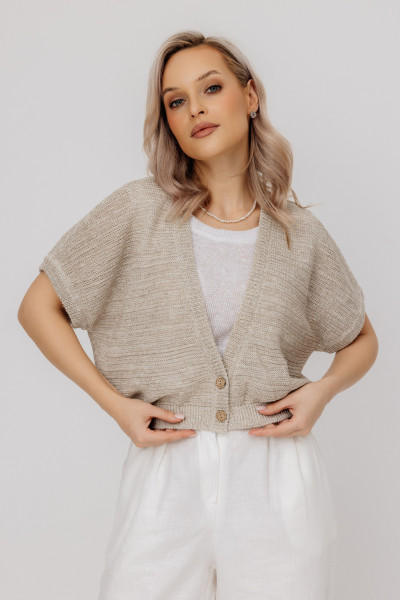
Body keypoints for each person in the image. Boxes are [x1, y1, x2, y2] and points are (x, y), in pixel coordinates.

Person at [18, 30, 378, 600]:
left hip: (275, 474)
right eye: (176, 100)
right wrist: (115, 406)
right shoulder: (139, 210)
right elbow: (39, 307)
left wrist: (322, 392)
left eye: (211, 88)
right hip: (169, 468)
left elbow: (359, 338)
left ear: (250, 95)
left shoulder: (299, 233)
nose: (195, 110)